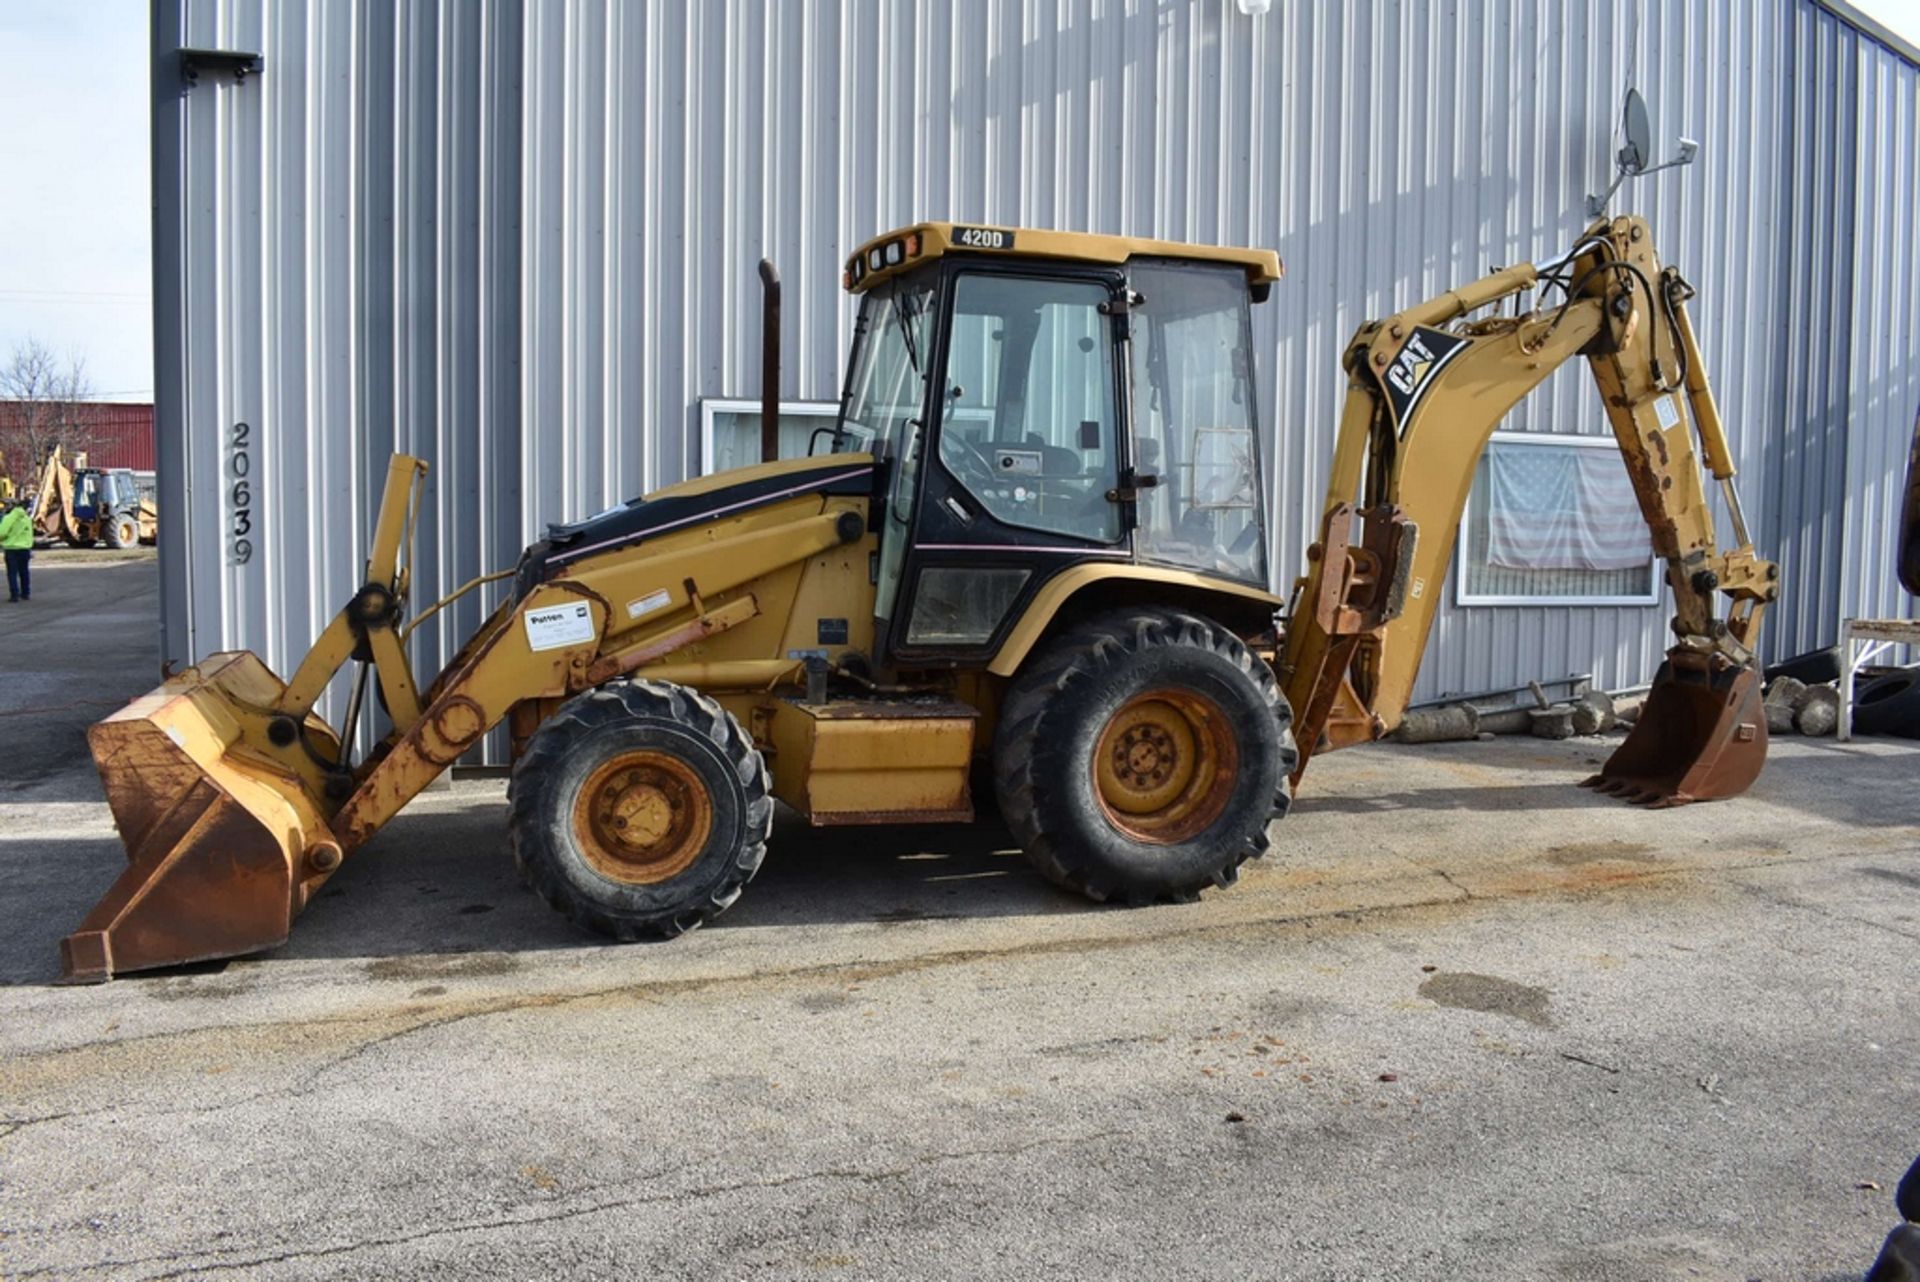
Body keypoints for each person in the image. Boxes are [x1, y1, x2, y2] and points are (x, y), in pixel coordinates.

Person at [0, 497, 32, 602]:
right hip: (24, 548)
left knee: (12, 573)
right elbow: (29, 534)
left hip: (11, 548)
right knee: (24, 572)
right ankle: (25, 593)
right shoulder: (26, 518)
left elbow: (2, 532)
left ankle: (14, 595)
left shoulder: (8, 518)